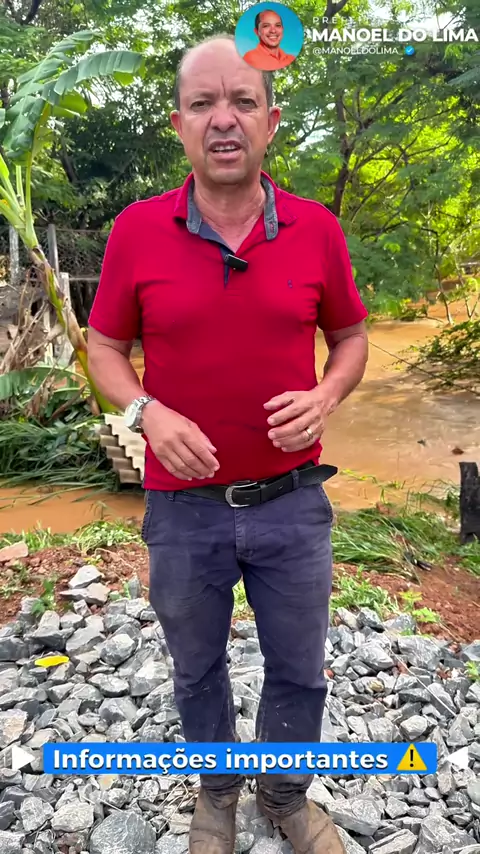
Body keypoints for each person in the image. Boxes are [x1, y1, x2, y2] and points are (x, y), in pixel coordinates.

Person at [87, 34, 368, 854]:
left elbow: (351, 338)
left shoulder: (317, 230)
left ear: (270, 123)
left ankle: (284, 796)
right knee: (196, 666)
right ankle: (216, 795)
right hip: (182, 510)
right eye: (203, 103)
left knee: (300, 668)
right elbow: (104, 348)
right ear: (178, 124)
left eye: (243, 102)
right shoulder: (137, 231)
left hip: (292, 503)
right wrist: (148, 414)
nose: (223, 119)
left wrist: (325, 395)